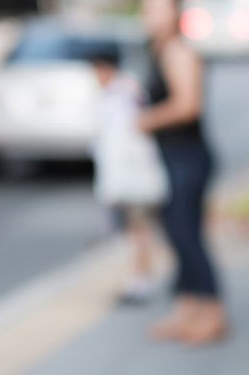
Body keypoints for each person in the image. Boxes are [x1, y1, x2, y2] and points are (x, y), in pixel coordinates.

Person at [135, 0, 226, 344]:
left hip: (189, 158)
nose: (151, 15)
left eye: (158, 8)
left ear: (175, 12)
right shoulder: (156, 50)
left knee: (187, 234)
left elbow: (188, 105)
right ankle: (186, 308)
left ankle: (214, 312)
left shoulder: (178, 51)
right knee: (175, 231)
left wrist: (143, 120)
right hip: (171, 158)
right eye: (147, 8)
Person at [89, 44, 165, 305]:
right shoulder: (114, 93)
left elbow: (131, 136)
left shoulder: (125, 94)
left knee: (139, 230)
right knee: (135, 230)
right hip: (125, 178)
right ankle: (138, 277)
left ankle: (141, 279)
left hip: (135, 177)